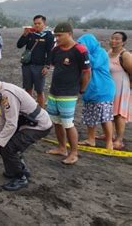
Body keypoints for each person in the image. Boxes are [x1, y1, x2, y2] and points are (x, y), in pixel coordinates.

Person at [0, 68, 52, 191]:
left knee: (8, 147)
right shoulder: (3, 90)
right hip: (28, 122)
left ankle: (21, 177)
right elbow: (3, 116)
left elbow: (11, 124)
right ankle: (14, 170)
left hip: (39, 125)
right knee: (3, 142)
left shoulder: (7, 94)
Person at [45, 22, 91, 165]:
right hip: (54, 91)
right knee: (56, 121)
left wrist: (81, 89)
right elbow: (53, 66)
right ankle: (62, 147)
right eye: (56, 35)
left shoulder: (80, 50)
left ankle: (74, 152)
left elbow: (87, 73)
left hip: (69, 93)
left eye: (60, 35)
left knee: (68, 123)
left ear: (69, 34)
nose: (57, 38)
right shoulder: (56, 50)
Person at [76, 34, 115, 150]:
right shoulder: (85, 54)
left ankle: (109, 142)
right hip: (90, 89)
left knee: (105, 117)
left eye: (83, 44)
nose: (81, 47)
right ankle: (91, 139)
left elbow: (93, 64)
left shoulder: (101, 52)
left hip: (103, 89)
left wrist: (84, 52)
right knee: (90, 115)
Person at [16, 15, 55, 108]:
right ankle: (28, 110)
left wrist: (47, 66)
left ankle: (41, 112)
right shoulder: (30, 33)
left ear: (44, 24)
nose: (37, 25)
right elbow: (19, 45)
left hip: (40, 66)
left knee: (39, 91)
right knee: (27, 89)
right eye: (35, 23)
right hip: (27, 65)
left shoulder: (49, 36)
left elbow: (50, 52)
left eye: (39, 23)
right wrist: (24, 35)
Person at [108, 31, 131, 150]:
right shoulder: (109, 52)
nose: (114, 41)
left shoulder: (125, 55)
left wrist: (129, 86)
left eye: (117, 39)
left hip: (122, 86)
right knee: (110, 112)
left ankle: (119, 139)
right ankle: (109, 135)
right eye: (112, 38)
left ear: (123, 42)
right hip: (110, 87)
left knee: (119, 114)